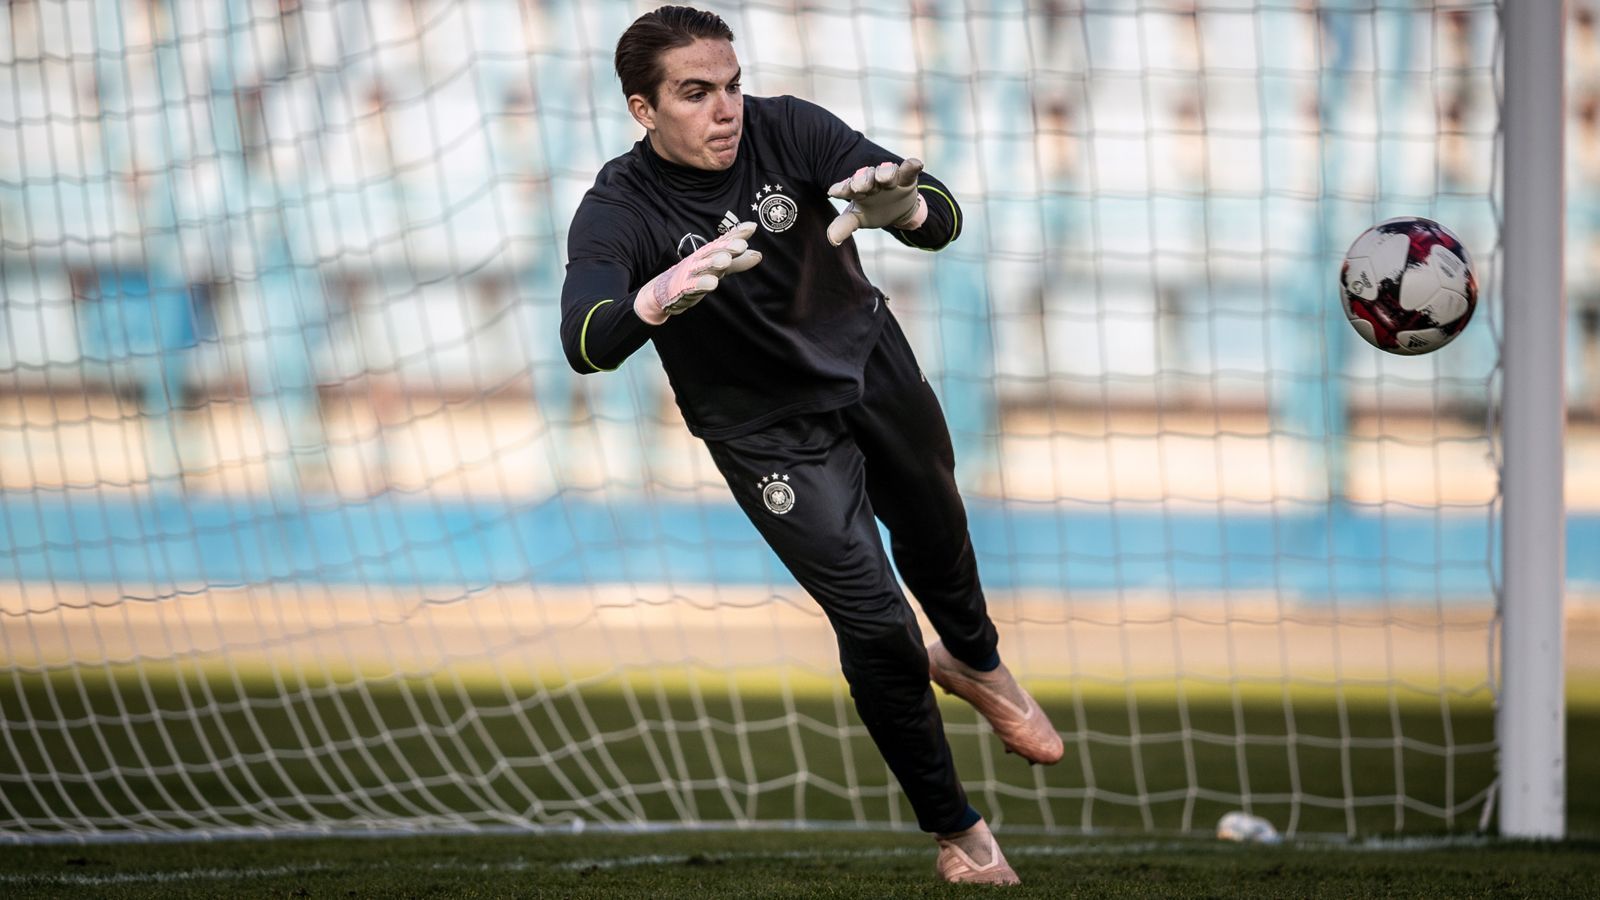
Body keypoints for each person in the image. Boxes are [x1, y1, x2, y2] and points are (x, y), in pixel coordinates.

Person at [559, 6, 1062, 885]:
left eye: (731, 84)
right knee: (875, 623)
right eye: (695, 93)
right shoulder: (617, 208)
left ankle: (977, 661)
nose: (726, 110)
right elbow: (585, 340)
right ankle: (960, 834)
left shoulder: (789, 125)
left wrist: (904, 206)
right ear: (644, 110)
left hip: (868, 360)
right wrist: (650, 302)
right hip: (764, 434)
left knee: (938, 530)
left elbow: (939, 213)